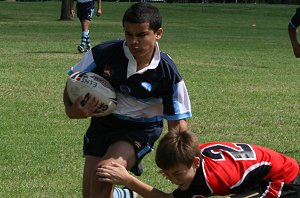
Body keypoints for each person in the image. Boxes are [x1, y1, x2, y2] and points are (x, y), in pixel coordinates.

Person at [63, 2, 192, 198]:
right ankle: (124, 195)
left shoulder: (167, 71)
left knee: (104, 172)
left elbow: (178, 125)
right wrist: (71, 110)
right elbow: (73, 82)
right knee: (91, 194)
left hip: (139, 130)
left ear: (158, 33)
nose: (134, 42)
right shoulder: (104, 53)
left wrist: (180, 162)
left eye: (141, 35)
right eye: (128, 34)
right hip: (103, 125)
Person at [97, 130, 300, 198]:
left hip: (284, 180)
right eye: (166, 175)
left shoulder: (210, 179)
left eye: (177, 174)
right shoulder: (190, 153)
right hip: (266, 174)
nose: (173, 180)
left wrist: (128, 180)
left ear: (195, 162)